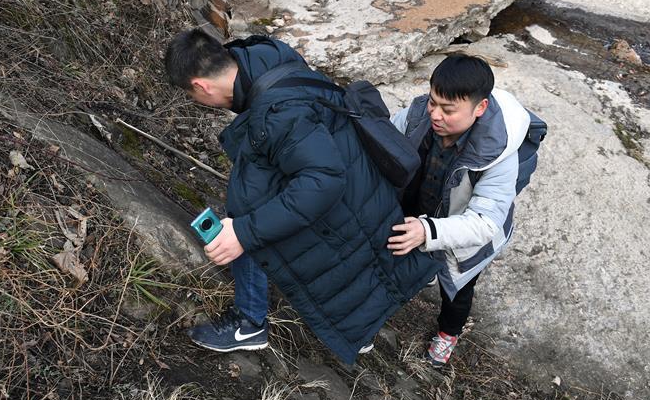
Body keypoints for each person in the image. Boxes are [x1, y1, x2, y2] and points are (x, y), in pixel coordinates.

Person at [164, 28, 439, 364]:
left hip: (342, 197)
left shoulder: (277, 113)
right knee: (362, 262)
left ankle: (249, 322)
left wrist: (244, 233)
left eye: (192, 95)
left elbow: (323, 181)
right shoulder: (267, 55)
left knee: (247, 219)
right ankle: (361, 330)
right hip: (361, 184)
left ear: (202, 86)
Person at [388, 53, 530, 367]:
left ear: (480, 108)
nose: (436, 115)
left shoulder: (498, 153)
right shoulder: (417, 115)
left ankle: (448, 334)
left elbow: (485, 222)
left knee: (457, 291)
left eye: (448, 110)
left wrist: (428, 231)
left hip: (463, 234)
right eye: (433, 102)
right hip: (419, 209)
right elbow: (386, 141)